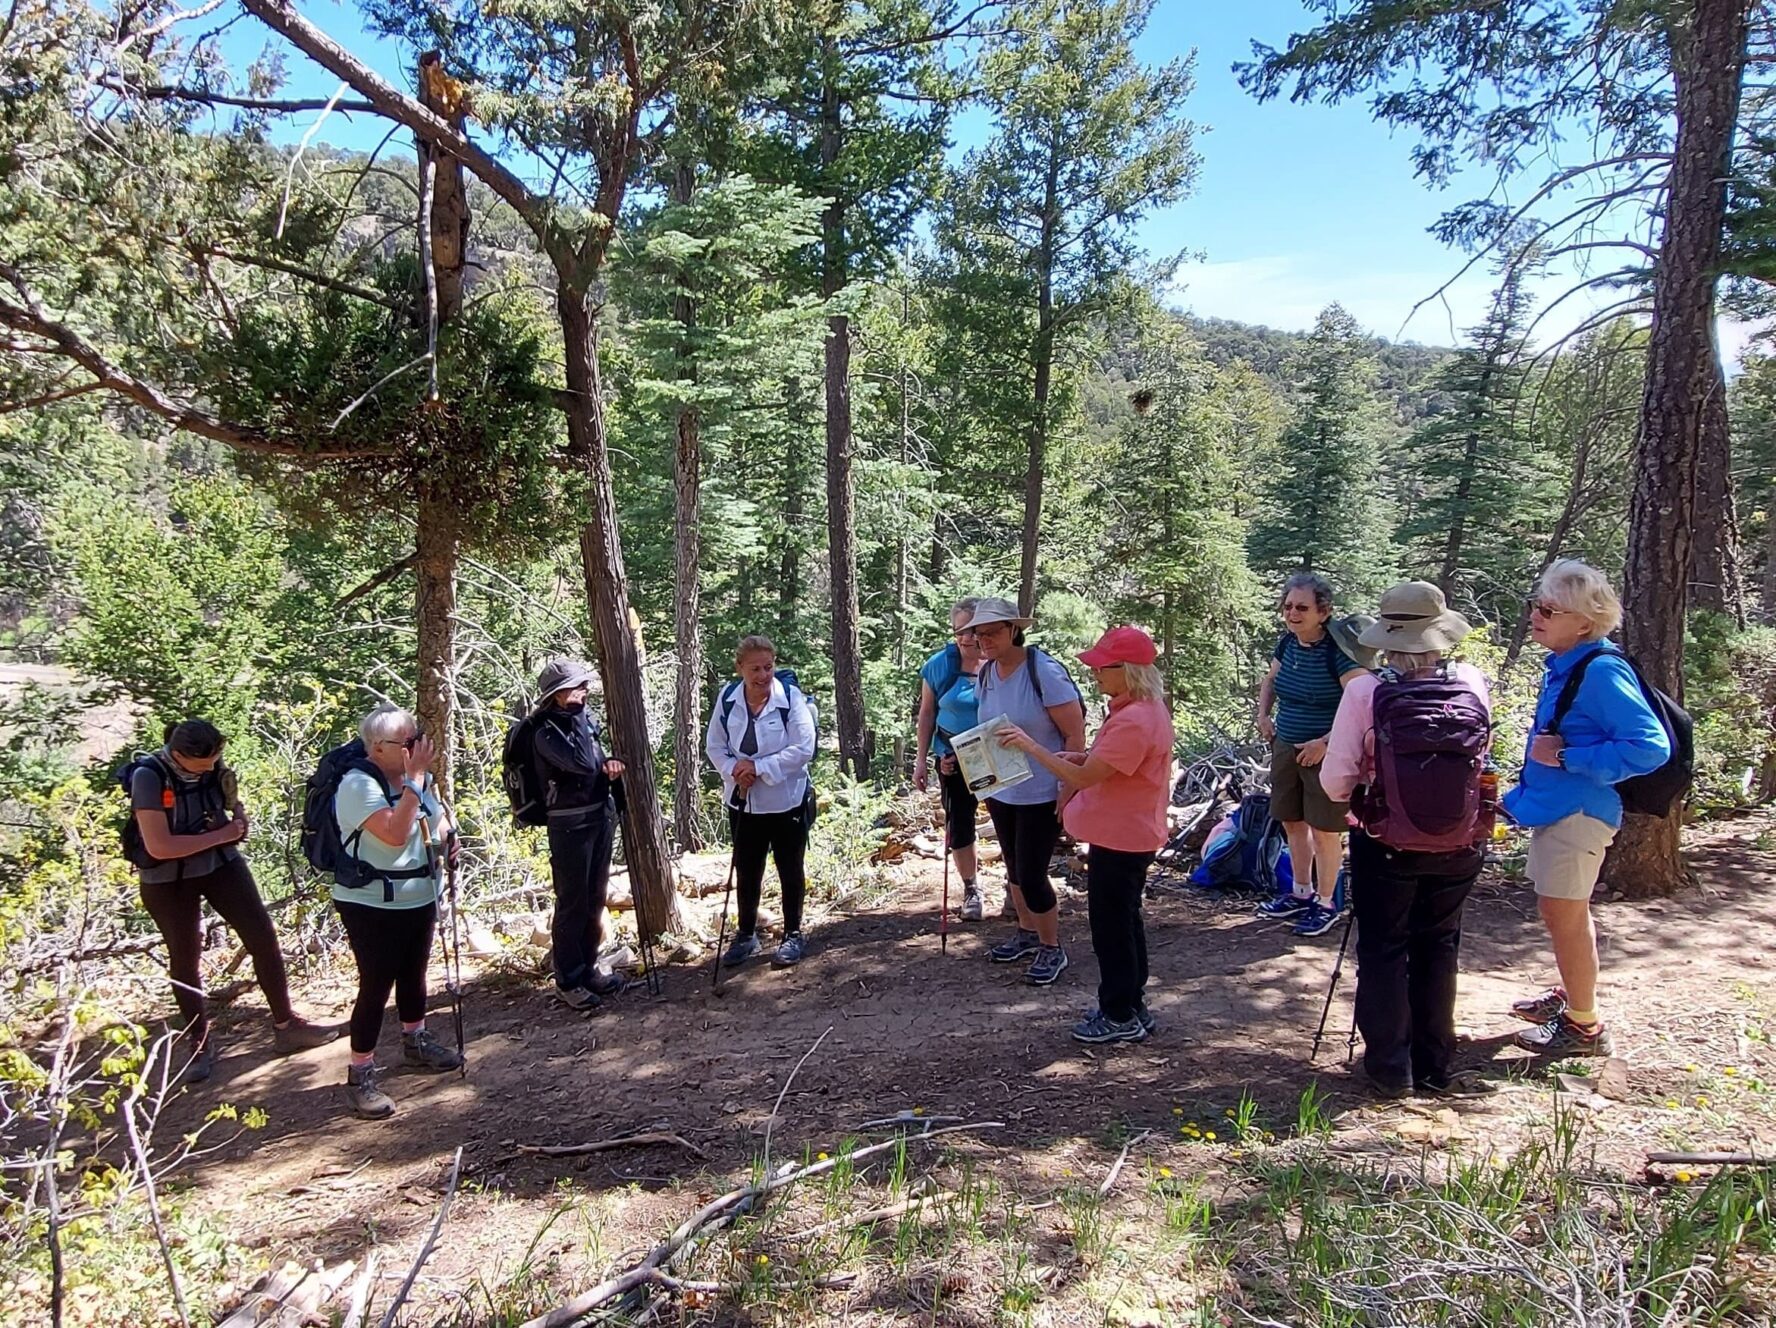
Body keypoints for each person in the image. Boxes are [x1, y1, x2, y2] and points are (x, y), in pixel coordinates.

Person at [1321, 582, 1492, 1097]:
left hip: (1385, 841)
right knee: (1440, 943)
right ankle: (1436, 1062)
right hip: (1460, 842)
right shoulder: (1472, 682)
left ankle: (1391, 1069)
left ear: (1387, 637)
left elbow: (1334, 782)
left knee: (1384, 947)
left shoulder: (1365, 692)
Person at [1502, 559, 1670, 1058]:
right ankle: (1573, 996)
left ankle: (1583, 1025)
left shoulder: (1599, 671)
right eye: (1536, 605)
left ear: (1584, 621)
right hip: (1559, 810)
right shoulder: (1569, 665)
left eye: (1549, 609)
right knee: (1561, 912)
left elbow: (1649, 746)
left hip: (1580, 814)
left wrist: (1569, 757)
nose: (1537, 615)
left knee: (1565, 912)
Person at [129, 720, 336, 1084]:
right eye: (203, 762)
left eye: (215, 759)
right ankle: (198, 1042)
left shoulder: (214, 767)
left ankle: (286, 1026)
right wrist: (224, 834)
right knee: (185, 957)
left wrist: (237, 820)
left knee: (262, 938)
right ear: (178, 754)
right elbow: (159, 846)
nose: (210, 767)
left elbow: (231, 805)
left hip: (220, 864)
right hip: (167, 879)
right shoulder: (149, 776)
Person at [999, 626, 1174, 1041]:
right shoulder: (1135, 709)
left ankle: (1118, 1015)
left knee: (1112, 929)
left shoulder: (1135, 719)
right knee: (1124, 922)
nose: (1095, 675)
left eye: (1101, 668)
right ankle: (1131, 1006)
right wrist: (1080, 754)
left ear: (1127, 670)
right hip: (1125, 833)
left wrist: (1032, 747)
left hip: (1123, 837)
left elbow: (1084, 776)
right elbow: (1108, 766)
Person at [333, 705, 465, 1119]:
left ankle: (415, 1041)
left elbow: (437, 821)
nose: (417, 748)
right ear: (378, 747)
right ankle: (361, 1075)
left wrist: (449, 839)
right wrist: (416, 781)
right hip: (370, 901)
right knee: (376, 984)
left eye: (417, 740)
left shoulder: (411, 781)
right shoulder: (357, 785)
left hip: (417, 893)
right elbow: (392, 835)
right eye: (407, 743)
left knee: (414, 973)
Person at [968, 597, 1086, 986]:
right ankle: (1026, 933)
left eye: (992, 632)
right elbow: (989, 731)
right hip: (1003, 789)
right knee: (1015, 867)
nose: (983, 639)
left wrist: (1067, 784)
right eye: (977, 633)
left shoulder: (1044, 671)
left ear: (1013, 630)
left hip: (1041, 789)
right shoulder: (986, 674)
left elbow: (1074, 733)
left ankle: (1052, 947)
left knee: (1034, 872)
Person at [1253, 573, 1368, 937]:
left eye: (1302, 607)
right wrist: (1263, 715)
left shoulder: (1339, 652)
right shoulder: (1288, 644)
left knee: (1325, 829)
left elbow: (1362, 703)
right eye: (1288, 606)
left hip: (1327, 752)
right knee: (1292, 822)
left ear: (1324, 611)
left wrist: (1326, 743)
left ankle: (1326, 902)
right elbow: (1271, 679)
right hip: (1286, 743)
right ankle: (1299, 892)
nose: (1292, 613)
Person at [705, 635, 818, 968]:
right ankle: (745, 934)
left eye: (769, 667)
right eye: (755, 669)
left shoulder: (790, 700)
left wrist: (760, 768)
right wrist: (733, 770)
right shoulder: (727, 699)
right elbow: (714, 745)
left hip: (787, 801)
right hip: (742, 801)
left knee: (790, 867)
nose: (763, 675)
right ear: (740, 668)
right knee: (747, 868)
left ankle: (793, 933)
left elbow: (803, 749)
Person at [531, 659, 629, 1011]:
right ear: (557, 694)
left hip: (598, 817)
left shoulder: (585, 721)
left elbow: (597, 764)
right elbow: (585, 764)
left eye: (585, 685)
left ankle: (588, 968)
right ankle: (568, 979)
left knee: (595, 898)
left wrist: (612, 765)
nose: (585, 691)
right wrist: (580, 726)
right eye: (577, 687)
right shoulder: (545, 731)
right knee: (572, 902)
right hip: (569, 824)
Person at [914, 597, 992, 919]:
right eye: (960, 631)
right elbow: (927, 713)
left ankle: (1019, 889)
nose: (966, 638)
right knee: (960, 822)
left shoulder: (998, 662)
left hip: (996, 753)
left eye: (973, 630)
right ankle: (971, 888)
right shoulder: (939, 666)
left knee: (1010, 820)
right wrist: (924, 759)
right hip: (953, 757)